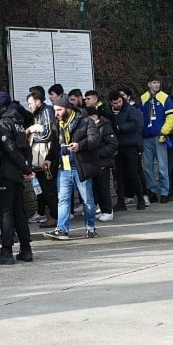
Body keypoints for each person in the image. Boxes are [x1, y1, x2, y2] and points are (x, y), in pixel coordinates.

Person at [0, 91, 37, 262]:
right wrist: (27, 167)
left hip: (6, 173)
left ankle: (6, 251)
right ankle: (26, 249)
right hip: (17, 174)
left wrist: (25, 168)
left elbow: (11, 149)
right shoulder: (18, 122)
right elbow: (26, 148)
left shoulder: (3, 124)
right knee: (18, 212)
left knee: (5, 212)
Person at [47, 96, 101, 240]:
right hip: (63, 168)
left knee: (87, 200)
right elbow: (54, 144)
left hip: (80, 167)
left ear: (68, 108)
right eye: (55, 110)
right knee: (63, 200)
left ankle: (90, 228)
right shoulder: (57, 124)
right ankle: (62, 230)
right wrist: (48, 159)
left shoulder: (85, 121)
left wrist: (79, 145)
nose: (56, 113)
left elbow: (95, 139)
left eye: (59, 110)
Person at [140, 78, 173, 203]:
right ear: (149, 84)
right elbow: (139, 116)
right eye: (154, 82)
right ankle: (152, 191)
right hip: (146, 137)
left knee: (162, 166)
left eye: (158, 82)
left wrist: (164, 131)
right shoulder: (143, 98)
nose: (156, 85)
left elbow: (171, 116)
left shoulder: (164, 97)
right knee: (147, 167)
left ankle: (164, 192)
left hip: (159, 136)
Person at [25, 87, 59, 227]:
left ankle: (55, 216)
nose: (29, 106)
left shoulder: (47, 112)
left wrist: (32, 133)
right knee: (44, 188)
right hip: (39, 158)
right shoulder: (38, 113)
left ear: (38, 101)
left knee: (49, 188)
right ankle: (50, 214)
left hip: (47, 156)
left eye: (30, 103)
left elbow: (49, 134)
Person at [110, 90, 147, 211]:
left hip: (130, 145)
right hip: (118, 147)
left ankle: (141, 199)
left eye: (119, 101)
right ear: (111, 103)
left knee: (133, 173)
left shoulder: (130, 110)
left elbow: (135, 124)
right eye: (115, 103)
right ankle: (121, 202)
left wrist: (119, 128)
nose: (118, 104)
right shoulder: (110, 112)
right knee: (119, 176)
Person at [85, 91, 119, 223]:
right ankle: (102, 209)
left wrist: (98, 153)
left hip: (103, 162)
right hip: (94, 163)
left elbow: (112, 144)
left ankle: (107, 210)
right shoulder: (91, 128)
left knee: (104, 187)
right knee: (96, 188)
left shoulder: (104, 126)